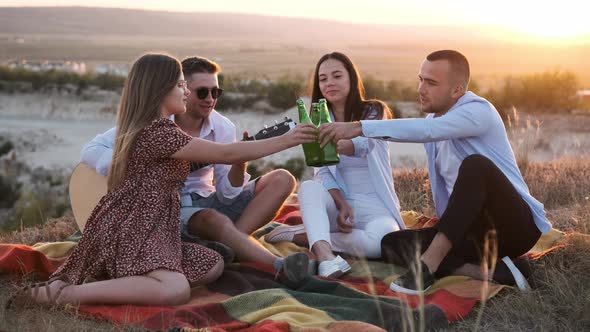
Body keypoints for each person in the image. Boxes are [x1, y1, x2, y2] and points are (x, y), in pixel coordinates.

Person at [7, 53, 317, 308]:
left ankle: (132, 280)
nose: (186, 92)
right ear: (160, 90)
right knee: (176, 290)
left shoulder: (157, 128)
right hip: (137, 224)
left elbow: (229, 166)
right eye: (182, 86)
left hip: (159, 222)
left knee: (212, 264)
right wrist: (287, 140)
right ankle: (62, 296)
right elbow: (228, 152)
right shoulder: (160, 132)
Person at [317, 49, 551, 293]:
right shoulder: (432, 119)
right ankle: (494, 273)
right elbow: (427, 128)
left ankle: (427, 267)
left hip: (513, 227)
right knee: (391, 243)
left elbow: (428, 131)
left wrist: (357, 127)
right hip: (469, 230)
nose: (421, 89)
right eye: (420, 79)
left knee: (475, 165)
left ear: (457, 91)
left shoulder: (479, 112)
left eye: (431, 82)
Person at [80, 56, 300, 267]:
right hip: (169, 208)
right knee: (212, 219)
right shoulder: (156, 125)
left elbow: (228, 194)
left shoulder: (223, 127)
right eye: (202, 92)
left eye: (216, 92)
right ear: (179, 88)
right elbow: (90, 151)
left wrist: (239, 161)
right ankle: (269, 261)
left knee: (283, 179)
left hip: (206, 199)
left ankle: (235, 245)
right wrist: (138, 162)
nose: (210, 99)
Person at [265, 52, 405, 278]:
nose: (329, 83)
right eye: (323, 79)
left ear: (351, 78)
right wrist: (341, 204)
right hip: (337, 202)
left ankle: (305, 235)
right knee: (310, 186)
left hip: (374, 205)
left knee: (380, 244)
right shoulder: (316, 117)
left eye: (337, 76)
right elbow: (321, 170)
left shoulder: (374, 111)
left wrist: (331, 142)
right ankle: (326, 257)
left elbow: (363, 145)